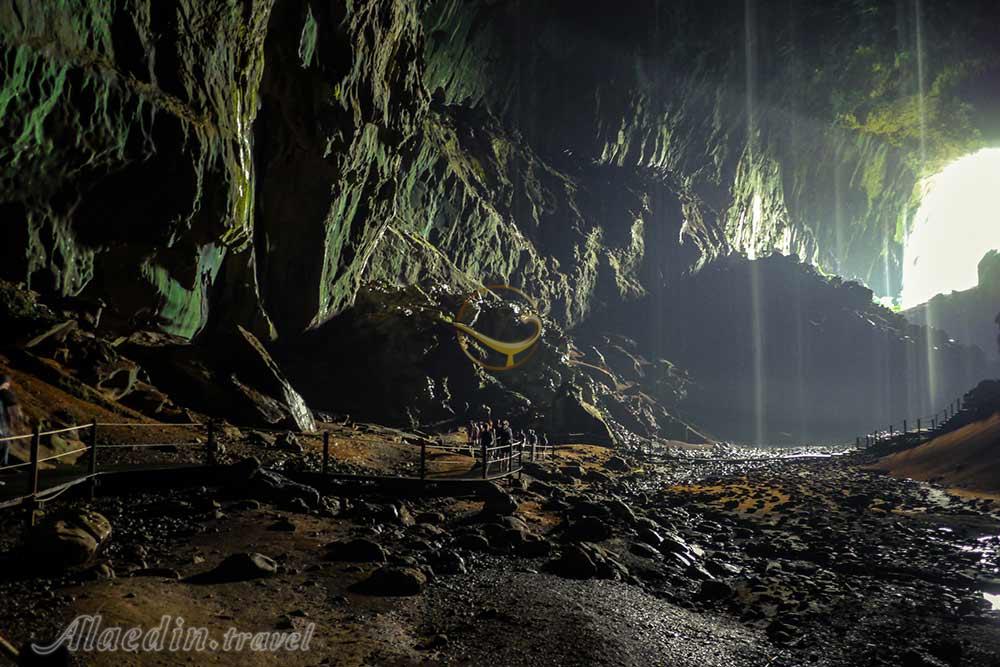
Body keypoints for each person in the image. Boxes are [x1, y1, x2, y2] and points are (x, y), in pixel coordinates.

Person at [0, 374, 23, 471]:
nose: (8, 386)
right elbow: (13, 402)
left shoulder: (4, 393)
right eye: (6, 384)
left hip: (3, 424)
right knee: (4, 444)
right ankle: (3, 465)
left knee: (5, 444)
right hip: (2, 425)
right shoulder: (4, 392)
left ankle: (4, 465)